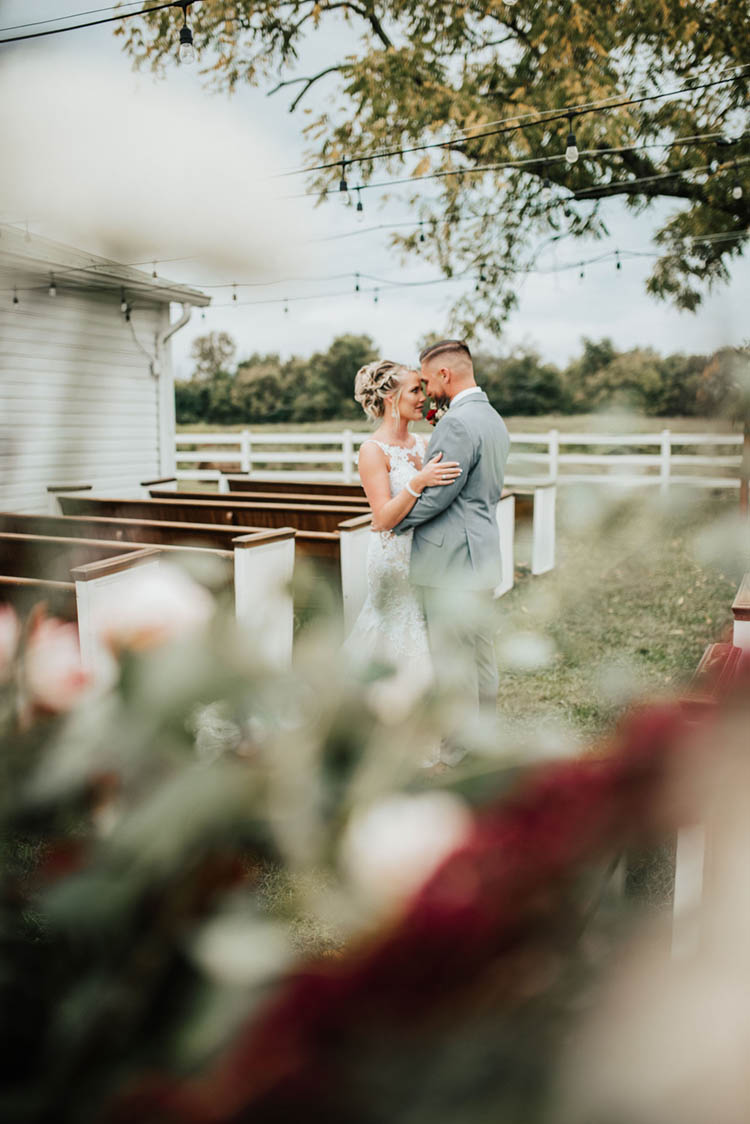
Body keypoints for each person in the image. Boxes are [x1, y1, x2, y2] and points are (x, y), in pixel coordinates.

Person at [393, 339, 511, 765]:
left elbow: (439, 495)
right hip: (480, 552)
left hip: (449, 562)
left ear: (445, 375)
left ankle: (460, 745)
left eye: (427, 380)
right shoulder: (492, 418)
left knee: (451, 657)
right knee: (480, 652)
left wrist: (394, 519)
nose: (426, 391)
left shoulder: (458, 424)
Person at [346, 359, 461, 763]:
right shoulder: (371, 450)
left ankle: (414, 724)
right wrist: (417, 481)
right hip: (391, 559)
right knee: (394, 635)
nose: (423, 396)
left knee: (421, 638)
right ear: (391, 398)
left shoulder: (423, 445)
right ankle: (378, 729)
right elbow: (381, 518)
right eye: (415, 390)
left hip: (424, 555)